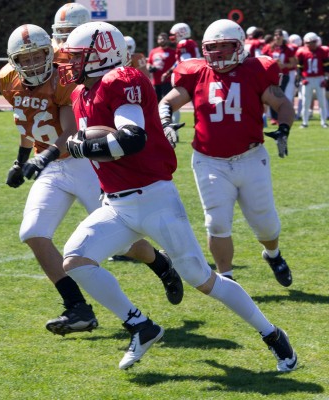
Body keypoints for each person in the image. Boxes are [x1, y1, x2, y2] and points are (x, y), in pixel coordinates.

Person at [24, 21, 297, 372]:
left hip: (154, 199)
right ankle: (141, 325)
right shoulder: (81, 92)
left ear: (100, 54)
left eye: (75, 57)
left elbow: (131, 137)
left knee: (204, 280)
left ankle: (272, 334)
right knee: (76, 261)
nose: (68, 64)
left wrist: (82, 146)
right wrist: (70, 148)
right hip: (117, 204)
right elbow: (87, 138)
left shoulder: (121, 79)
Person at [0, 24, 183, 337]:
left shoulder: (65, 77)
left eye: (38, 56)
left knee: (123, 243)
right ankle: (77, 308)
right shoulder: (7, 78)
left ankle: (160, 263)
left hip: (83, 161)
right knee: (32, 232)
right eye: (24, 58)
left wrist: (40, 159)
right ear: (14, 61)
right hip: (53, 167)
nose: (31, 64)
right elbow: (28, 123)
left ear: (50, 53)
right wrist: (21, 160)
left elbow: (70, 131)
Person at [159, 19, 295, 290]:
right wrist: (165, 122)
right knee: (217, 222)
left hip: (250, 157)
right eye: (214, 47)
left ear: (240, 45)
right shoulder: (196, 72)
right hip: (209, 161)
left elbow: (282, 103)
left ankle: (273, 254)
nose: (219, 53)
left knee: (265, 223)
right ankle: (228, 279)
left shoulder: (256, 70)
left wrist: (283, 129)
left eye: (226, 46)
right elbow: (168, 101)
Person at [261, 29, 297, 125]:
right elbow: (261, 60)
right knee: (272, 95)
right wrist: (272, 62)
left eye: (279, 35)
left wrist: (283, 65)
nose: (277, 37)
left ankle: (280, 116)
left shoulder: (287, 49)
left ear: (282, 37)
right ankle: (273, 118)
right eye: (276, 35)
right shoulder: (269, 47)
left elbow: (293, 63)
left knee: (280, 95)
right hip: (271, 74)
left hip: (283, 75)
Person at [296, 32, 329, 129]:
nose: (311, 44)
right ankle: (304, 122)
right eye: (308, 42)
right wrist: (302, 79)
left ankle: (323, 122)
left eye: (313, 42)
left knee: (322, 101)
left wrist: (326, 79)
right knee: (305, 102)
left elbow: (327, 67)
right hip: (307, 79)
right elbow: (299, 67)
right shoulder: (302, 52)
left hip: (319, 78)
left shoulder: (322, 51)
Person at [147, 32, 176, 102]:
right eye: (160, 39)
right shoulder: (153, 51)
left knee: (167, 102)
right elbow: (148, 63)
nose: (162, 40)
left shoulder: (173, 52)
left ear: (167, 40)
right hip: (156, 82)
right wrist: (150, 67)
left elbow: (176, 65)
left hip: (167, 82)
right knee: (156, 103)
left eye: (164, 39)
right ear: (157, 40)